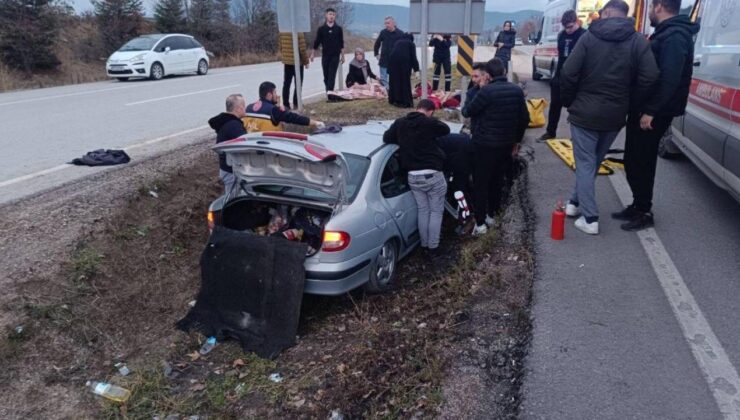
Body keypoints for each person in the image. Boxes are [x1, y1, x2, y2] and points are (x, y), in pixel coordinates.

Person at [560, 0, 658, 235]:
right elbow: (650, 76)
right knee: (592, 162)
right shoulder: (637, 41)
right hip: (615, 115)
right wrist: (631, 101)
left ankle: (590, 218)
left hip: (584, 112)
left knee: (585, 163)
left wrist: (569, 101)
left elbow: (568, 72)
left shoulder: (589, 37)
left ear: (605, 13)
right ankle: (574, 204)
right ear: (626, 15)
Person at [462, 58, 529, 236]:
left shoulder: (486, 92)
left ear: (488, 76)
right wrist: (516, 141)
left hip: (484, 144)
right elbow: (524, 119)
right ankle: (493, 214)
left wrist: (481, 89)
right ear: (505, 72)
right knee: (497, 180)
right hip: (506, 144)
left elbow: (467, 111)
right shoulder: (516, 91)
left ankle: (481, 223)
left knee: (481, 183)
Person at [383, 99, 451, 253]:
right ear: (431, 111)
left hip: (413, 176)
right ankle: (433, 247)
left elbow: (387, 138)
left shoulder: (400, 123)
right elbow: (445, 130)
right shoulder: (430, 123)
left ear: (417, 108)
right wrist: (430, 121)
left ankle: (424, 245)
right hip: (432, 174)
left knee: (423, 210)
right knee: (436, 211)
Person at [538, 10, 586, 142]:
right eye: (566, 27)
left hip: (577, 79)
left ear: (577, 22)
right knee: (555, 106)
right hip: (560, 75)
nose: (568, 30)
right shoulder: (562, 35)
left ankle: (575, 137)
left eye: (570, 26)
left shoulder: (584, 35)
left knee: (575, 109)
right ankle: (550, 132)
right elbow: (560, 56)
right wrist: (556, 77)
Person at [243, 82, 324, 133]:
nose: (277, 95)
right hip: (270, 145)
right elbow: (293, 118)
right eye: (275, 92)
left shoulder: (248, 108)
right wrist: (315, 122)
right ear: (269, 95)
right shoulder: (273, 110)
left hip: (252, 145)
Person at [208, 94, 247, 193]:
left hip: (225, 168)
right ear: (238, 108)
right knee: (233, 199)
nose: (245, 108)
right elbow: (245, 147)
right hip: (231, 171)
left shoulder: (226, 122)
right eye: (243, 105)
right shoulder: (234, 126)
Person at [310, 8, 344, 92]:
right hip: (325, 55)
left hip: (335, 55)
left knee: (332, 75)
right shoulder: (321, 29)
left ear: (335, 16)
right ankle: (329, 92)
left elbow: (341, 43)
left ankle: (330, 94)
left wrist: (343, 56)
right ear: (326, 15)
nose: (331, 16)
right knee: (326, 77)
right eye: (330, 14)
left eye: (333, 14)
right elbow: (317, 42)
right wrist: (312, 54)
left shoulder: (338, 29)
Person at [387, 34, 420, 108]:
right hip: (404, 64)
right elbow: (413, 58)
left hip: (392, 63)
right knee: (404, 82)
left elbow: (391, 53)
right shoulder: (411, 43)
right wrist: (416, 70)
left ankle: (393, 100)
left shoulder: (397, 42)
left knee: (394, 82)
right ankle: (405, 102)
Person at [279, 32, 309, 109]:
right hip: (298, 62)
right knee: (298, 83)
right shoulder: (298, 31)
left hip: (287, 62)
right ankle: (296, 102)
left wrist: (285, 56)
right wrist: (306, 61)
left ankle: (286, 104)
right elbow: (302, 49)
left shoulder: (283, 31)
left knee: (286, 84)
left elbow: (280, 45)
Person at [374, 16, 405, 87]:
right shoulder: (383, 32)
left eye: (388, 23)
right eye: (385, 23)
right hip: (384, 59)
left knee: (394, 78)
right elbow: (377, 43)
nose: (386, 25)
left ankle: (393, 91)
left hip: (395, 60)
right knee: (383, 78)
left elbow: (404, 47)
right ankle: (387, 91)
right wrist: (376, 54)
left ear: (393, 23)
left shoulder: (400, 34)